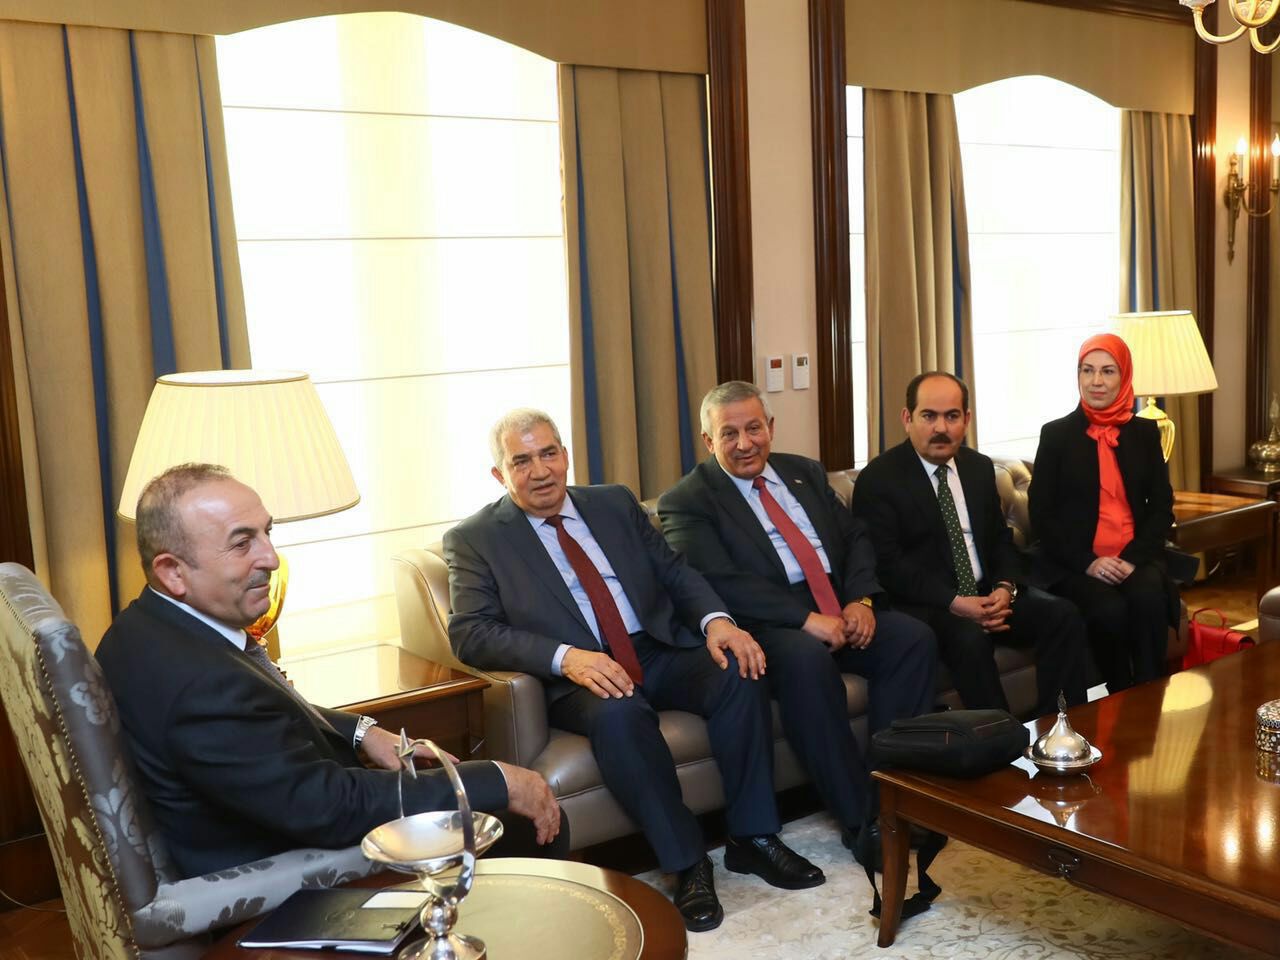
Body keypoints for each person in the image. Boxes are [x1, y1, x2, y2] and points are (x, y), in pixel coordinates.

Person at [445, 409, 823, 933]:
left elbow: (674, 571)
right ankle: (687, 862)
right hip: (579, 672)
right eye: (522, 461)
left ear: (566, 455)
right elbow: (471, 632)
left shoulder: (613, 503)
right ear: (499, 474)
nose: (541, 471)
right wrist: (566, 657)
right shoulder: (476, 538)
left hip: (656, 647)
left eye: (549, 453)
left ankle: (753, 836)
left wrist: (717, 622)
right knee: (620, 714)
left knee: (738, 669)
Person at [96, 463, 563, 881]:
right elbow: (332, 807)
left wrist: (362, 732)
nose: (270, 558)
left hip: (277, 823)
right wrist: (496, 779)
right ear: (173, 572)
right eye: (242, 544)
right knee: (522, 825)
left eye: (266, 533)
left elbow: (261, 705)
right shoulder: (200, 686)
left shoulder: (143, 630)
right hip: (290, 882)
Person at [657, 380, 937, 859]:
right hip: (766, 622)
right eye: (728, 434)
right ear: (708, 441)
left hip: (838, 602)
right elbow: (720, 580)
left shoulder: (804, 471)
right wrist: (804, 618)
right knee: (807, 660)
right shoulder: (688, 499)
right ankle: (860, 820)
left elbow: (855, 537)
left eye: (753, 428)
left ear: (770, 426)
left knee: (913, 639)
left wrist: (861, 600)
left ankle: (893, 797)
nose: (744, 443)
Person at [850, 372, 1088, 716]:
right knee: (969, 638)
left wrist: (1005, 588)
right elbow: (888, 566)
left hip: (987, 594)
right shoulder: (879, 479)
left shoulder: (978, 468)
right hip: (930, 604)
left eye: (952, 416)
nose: (940, 428)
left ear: (966, 419)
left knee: (1062, 615)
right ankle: (1003, 737)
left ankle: (1062, 726)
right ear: (907, 418)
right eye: (928, 416)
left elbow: (1000, 540)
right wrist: (957, 603)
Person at [1028, 333, 1177, 692]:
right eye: (1087, 370)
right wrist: (1089, 563)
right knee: (1109, 609)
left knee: (1148, 598)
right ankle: (1120, 694)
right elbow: (1042, 515)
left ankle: (1150, 693)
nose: (1096, 381)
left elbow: (1161, 507)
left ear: (1124, 376)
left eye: (1108, 371)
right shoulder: (1056, 435)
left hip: (1132, 556)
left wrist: (1132, 559)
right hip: (1076, 562)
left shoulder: (1145, 433)